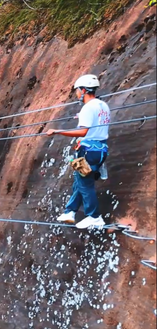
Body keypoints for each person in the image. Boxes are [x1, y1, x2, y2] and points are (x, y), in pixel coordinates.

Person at [47, 74, 109, 229]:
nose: (76, 94)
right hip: (100, 150)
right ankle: (70, 211)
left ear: (83, 90)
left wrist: (58, 131)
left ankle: (94, 216)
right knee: (79, 181)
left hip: (88, 152)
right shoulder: (103, 105)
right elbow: (97, 125)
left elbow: (83, 132)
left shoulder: (88, 107)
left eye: (77, 91)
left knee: (85, 184)